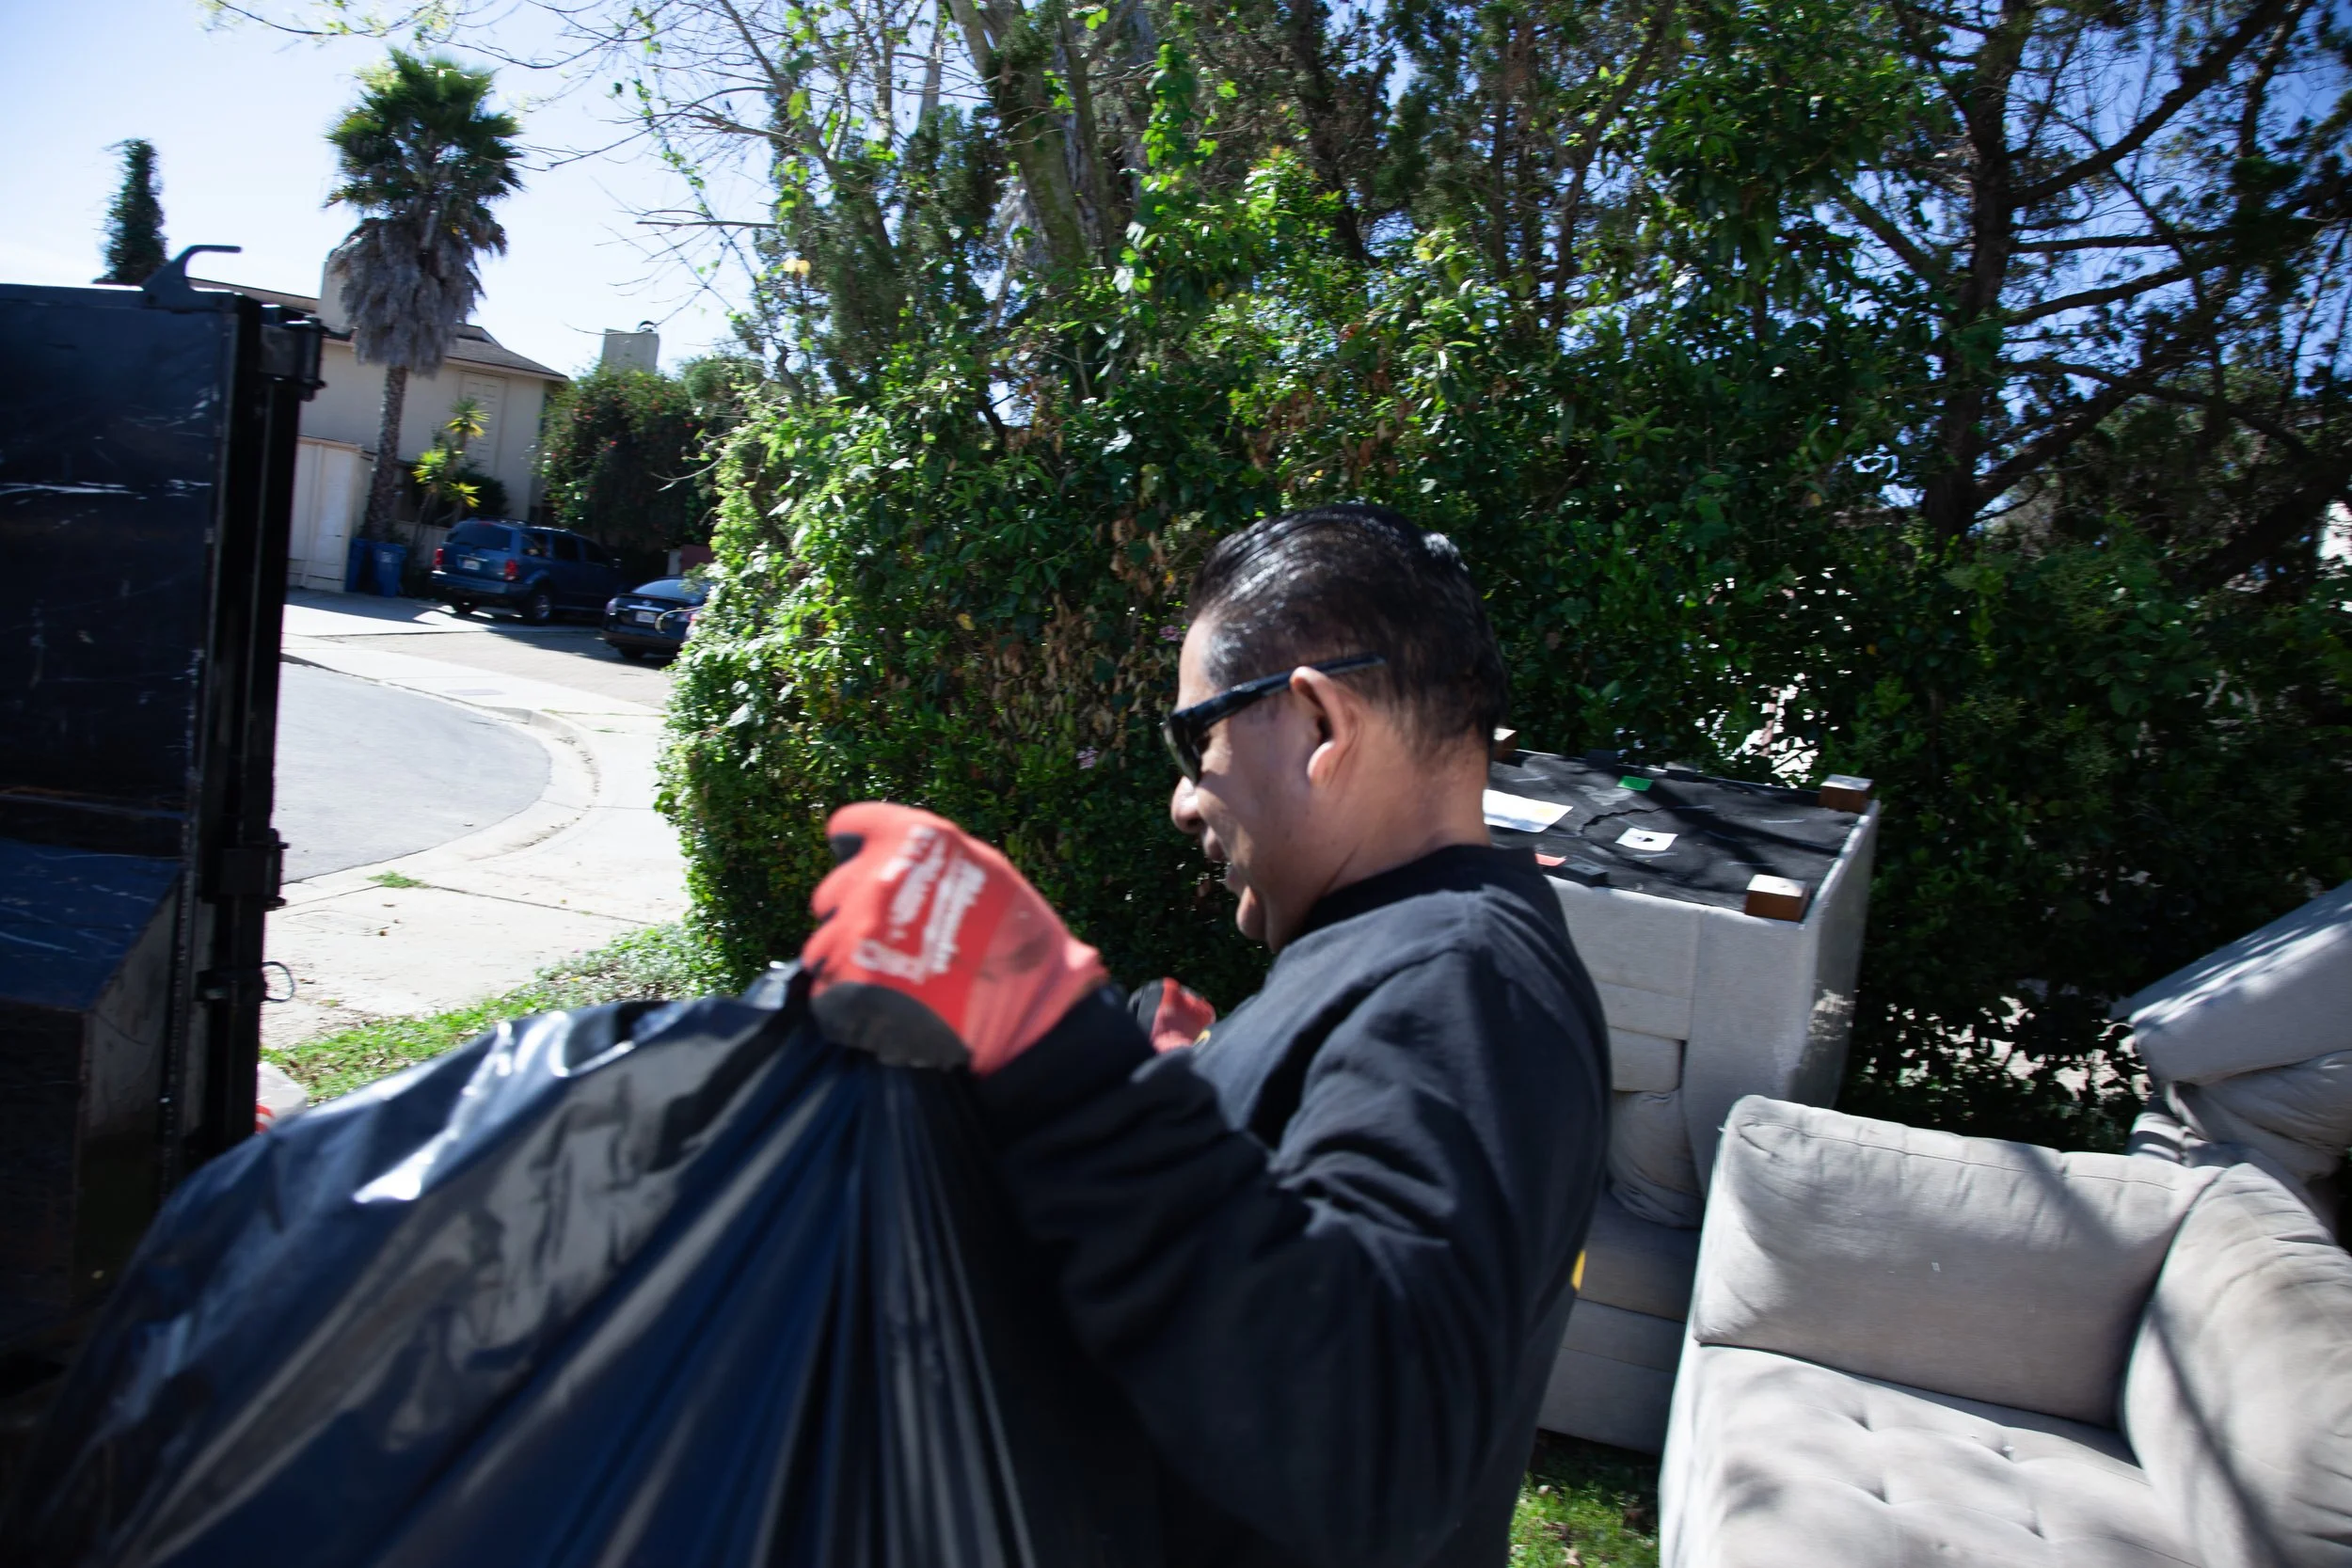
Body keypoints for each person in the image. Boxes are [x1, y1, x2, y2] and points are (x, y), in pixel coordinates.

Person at [802, 502, 1610, 1568]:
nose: (1185, 800)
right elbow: (1320, 1232)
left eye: (1198, 739)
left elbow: (1378, 1442)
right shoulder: (1423, 949)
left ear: (1321, 724)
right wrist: (1196, 1085)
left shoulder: (1459, 980)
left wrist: (1052, 1044)